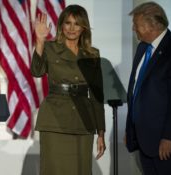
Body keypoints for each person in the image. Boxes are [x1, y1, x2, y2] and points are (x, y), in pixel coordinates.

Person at [31, 4, 106, 175]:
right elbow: (37, 71)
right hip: (55, 120)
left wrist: (100, 132)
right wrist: (40, 41)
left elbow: (97, 95)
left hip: (83, 120)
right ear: (61, 26)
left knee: (81, 170)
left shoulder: (92, 54)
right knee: (54, 169)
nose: (72, 28)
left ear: (84, 27)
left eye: (77, 24)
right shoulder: (50, 47)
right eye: (68, 23)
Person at [125, 2, 171, 175]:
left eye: (137, 25)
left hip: (166, 144)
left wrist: (169, 137)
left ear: (153, 26)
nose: (134, 29)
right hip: (144, 140)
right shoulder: (142, 48)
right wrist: (130, 130)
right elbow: (136, 91)